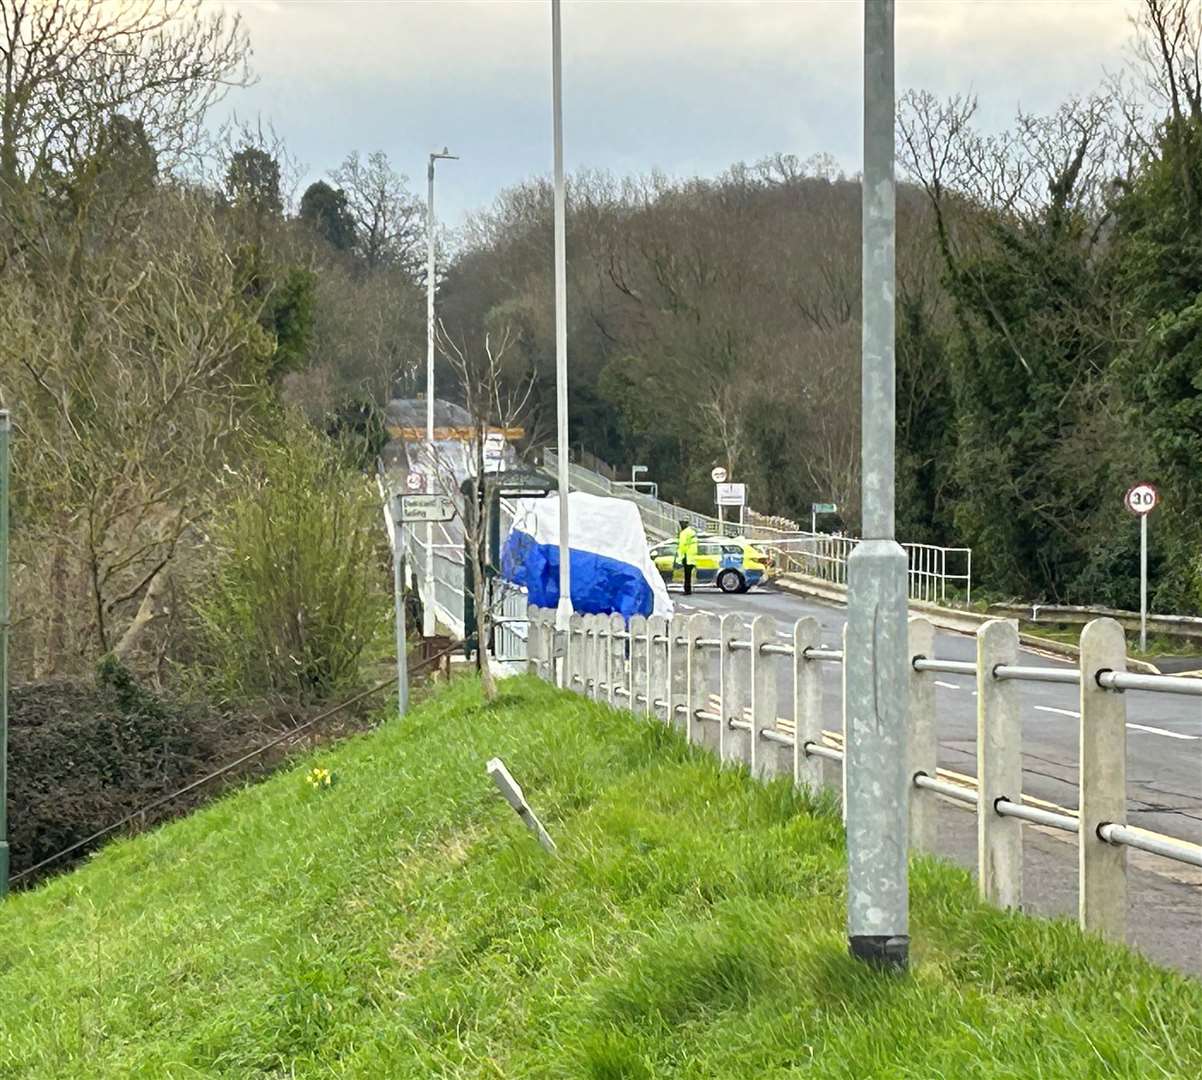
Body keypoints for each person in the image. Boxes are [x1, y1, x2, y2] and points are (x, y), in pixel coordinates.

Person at [676, 518, 698, 595]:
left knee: (687, 575)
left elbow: (682, 546)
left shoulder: (684, 533)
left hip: (687, 556)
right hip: (692, 557)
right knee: (688, 575)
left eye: (681, 524)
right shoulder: (692, 532)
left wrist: (679, 557)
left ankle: (687, 590)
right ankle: (688, 590)